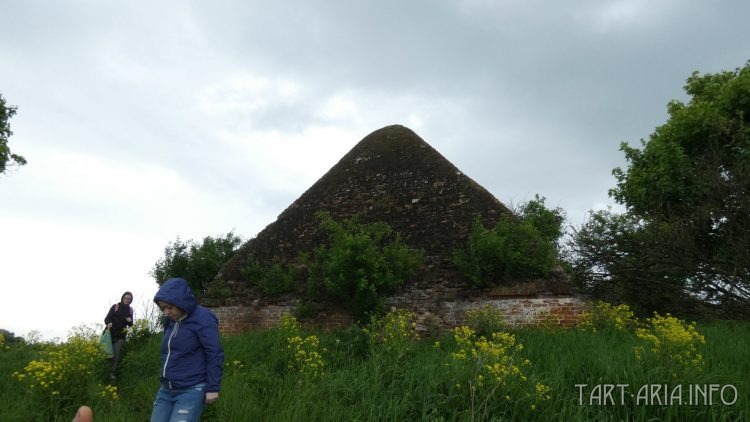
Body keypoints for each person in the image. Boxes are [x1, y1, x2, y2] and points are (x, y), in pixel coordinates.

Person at [150, 278, 224, 422]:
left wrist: (213, 388)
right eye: (162, 308)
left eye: (169, 307)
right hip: (166, 389)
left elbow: (214, 353)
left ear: (181, 302)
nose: (166, 312)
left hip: (191, 389)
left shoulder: (203, 318)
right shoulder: (170, 320)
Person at [104, 291, 134, 380]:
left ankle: (111, 374)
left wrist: (130, 321)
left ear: (131, 300)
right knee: (106, 353)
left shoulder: (130, 310)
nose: (127, 300)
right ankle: (103, 371)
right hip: (109, 334)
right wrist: (108, 323)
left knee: (116, 355)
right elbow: (107, 318)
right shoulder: (115, 306)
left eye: (129, 299)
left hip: (121, 335)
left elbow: (131, 324)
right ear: (122, 298)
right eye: (126, 298)